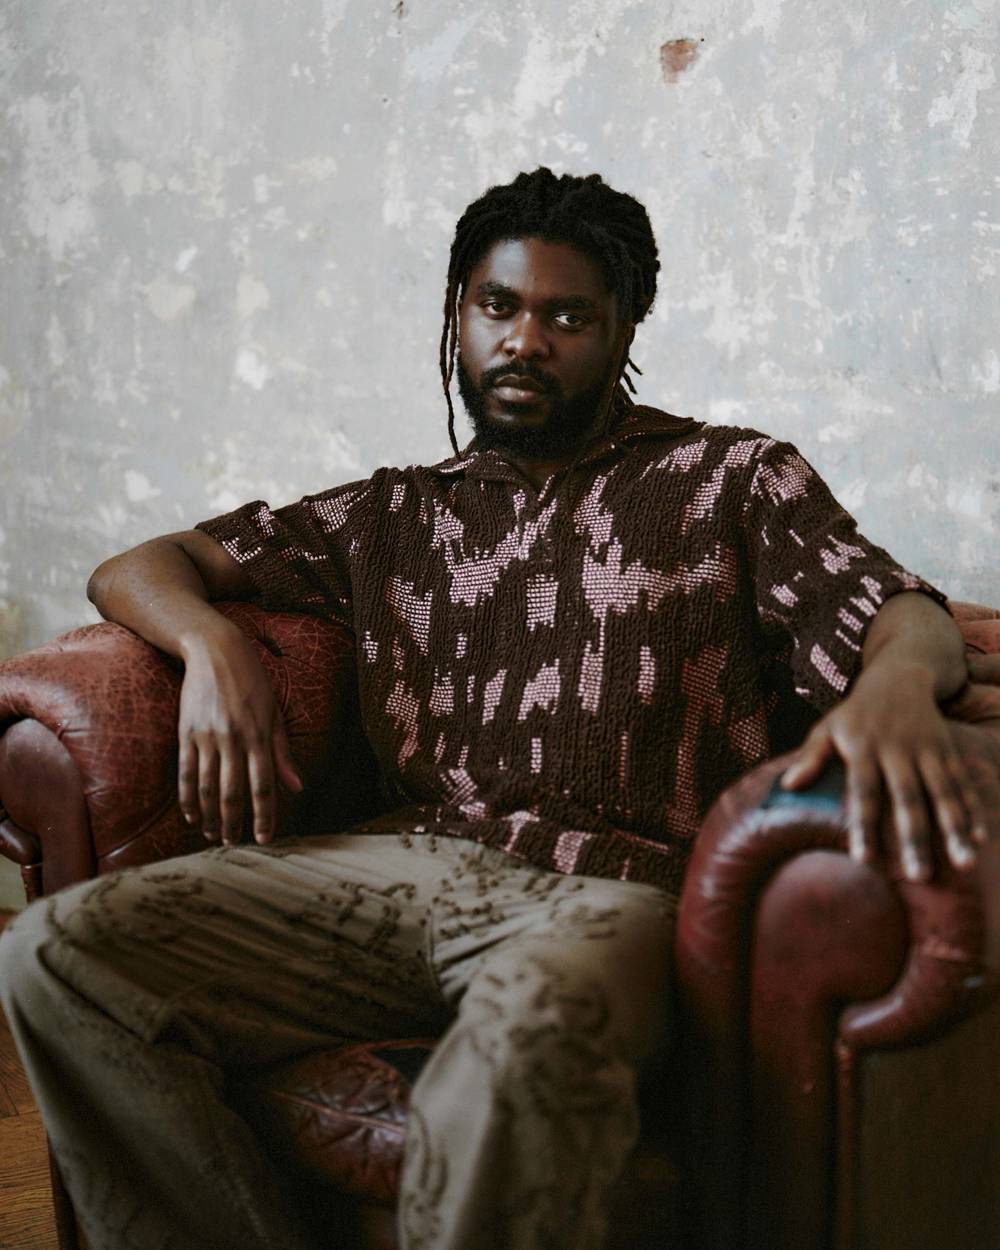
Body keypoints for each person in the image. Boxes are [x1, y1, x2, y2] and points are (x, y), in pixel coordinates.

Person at [0, 168, 986, 1250]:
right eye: (497, 306)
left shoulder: (730, 478)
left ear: (621, 330)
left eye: (566, 315)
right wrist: (210, 640)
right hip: (389, 870)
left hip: (609, 893)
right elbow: (141, 565)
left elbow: (901, 612)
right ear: (459, 313)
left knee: (525, 1026)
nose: (524, 340)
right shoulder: (389, 511)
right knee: (56, 953)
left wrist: (893, 685)